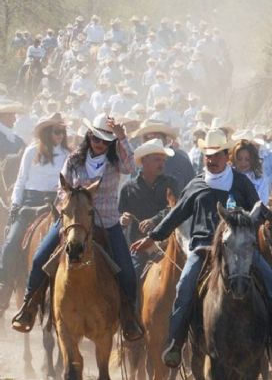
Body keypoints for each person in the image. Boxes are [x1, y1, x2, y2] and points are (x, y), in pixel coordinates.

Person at [130, 129, 272, 368]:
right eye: (208, 156)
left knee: (270, 280)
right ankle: (176, 342)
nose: (212, 160)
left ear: (227, 156)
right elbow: (177, 214)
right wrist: (153, 237)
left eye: (217, 155)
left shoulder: (241, 182)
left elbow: (256, 211)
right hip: (204, 249)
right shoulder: (196, 185)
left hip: (239, 249)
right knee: (184, 286)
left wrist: (255, 219)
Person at [11, 114, 144, 341]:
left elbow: (131, 167)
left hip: (107, 221)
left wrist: (122, 138)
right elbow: (61, 189)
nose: (99, 144)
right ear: (89, 136)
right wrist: (76, 197)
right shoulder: (74, 159)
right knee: (39, 258)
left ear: (110, 143)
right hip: (73, 220)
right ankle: (29, 308)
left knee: (128, 272)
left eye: (105, 141)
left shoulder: (115, 162)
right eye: (96, 139)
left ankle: (129, 318)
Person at [0, 113, 69, 310]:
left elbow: (65, 182)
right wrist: (15, 204)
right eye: (57, 131)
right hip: (30, 201)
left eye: (62, 131)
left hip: (55, 202)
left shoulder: (67, 155)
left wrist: (61, 200)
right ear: (47, 132)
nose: (61, 135)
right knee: (12, 241)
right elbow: (21, 180)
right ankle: (4, 284)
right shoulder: (31, 151)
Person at [119, 139, 179, 278]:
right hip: (139, 245)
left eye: (163, 160)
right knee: (131, 276)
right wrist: (123, 220)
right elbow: (119, 216)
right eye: (158, 160)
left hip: (167, 242)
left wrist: (155, 220)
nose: (162, 164)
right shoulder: (128, 189)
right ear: (145, 161)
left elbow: (175, 209)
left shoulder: (171, 183)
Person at [133, 119, 195, 192]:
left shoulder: (180, 159)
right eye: (147, 137)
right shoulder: (140, 160)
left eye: (156, 137)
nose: (152, 140)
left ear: (165, 139)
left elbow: (191, 188)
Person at [230, 139, 270, 204]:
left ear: (253, 160)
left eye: (247, 159)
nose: (243, 163)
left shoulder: (261, 179)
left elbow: (263, 202)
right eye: (239, 159)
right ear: (234, 159)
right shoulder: (228, 176)